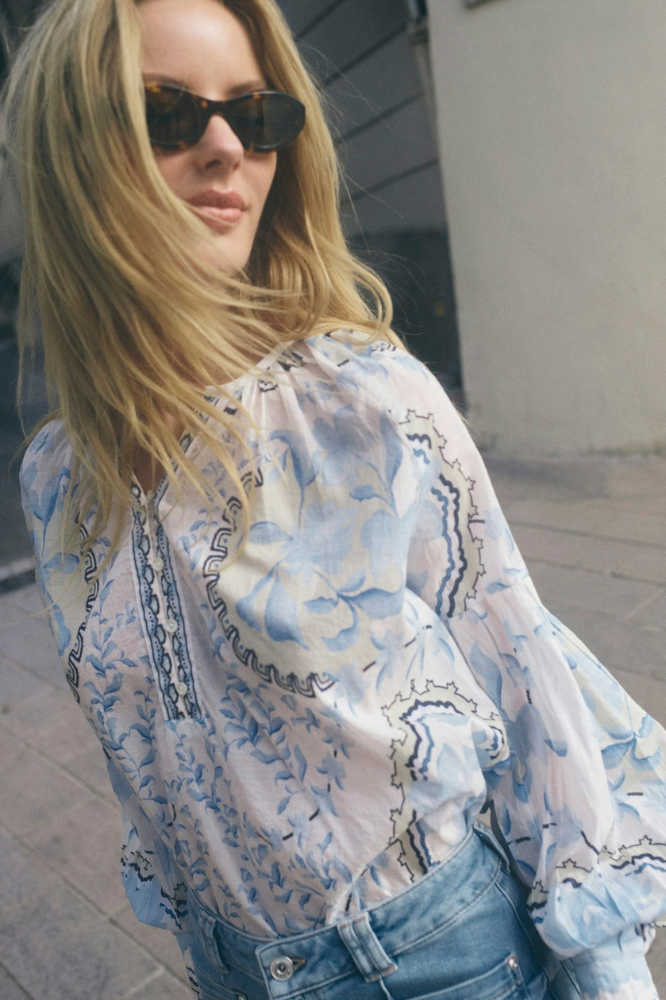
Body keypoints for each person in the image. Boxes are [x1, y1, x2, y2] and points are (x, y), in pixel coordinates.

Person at [5, 0, 666, 997]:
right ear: (69, 150)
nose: (228, 148)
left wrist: (609, 970)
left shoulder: (359, 398)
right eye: (167, 114)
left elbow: (525, 671)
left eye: (256, 114)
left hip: (437, 959)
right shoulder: (57, 481)